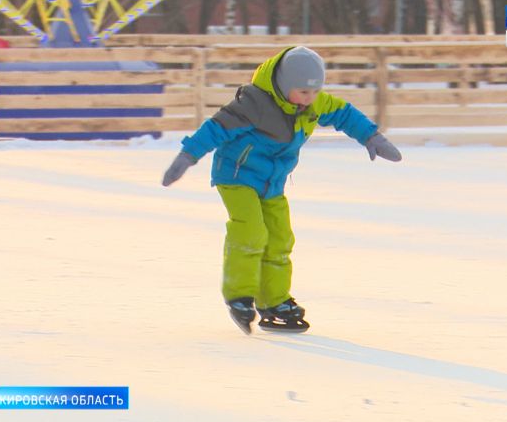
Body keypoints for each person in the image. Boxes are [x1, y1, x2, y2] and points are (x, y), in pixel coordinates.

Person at [161, 46, 401, 334]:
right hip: (236, 175)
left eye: (314, 92)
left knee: (280, 238)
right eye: (302, 92)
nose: (309, 99)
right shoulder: (254, 104)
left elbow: (345, 115)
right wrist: (187, 156)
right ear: (285, 85)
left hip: (272, 182)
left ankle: (273, 301)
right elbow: (215, 129)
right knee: (250, 231)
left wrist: (371, 137)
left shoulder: (314, 103)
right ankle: (239, 295)